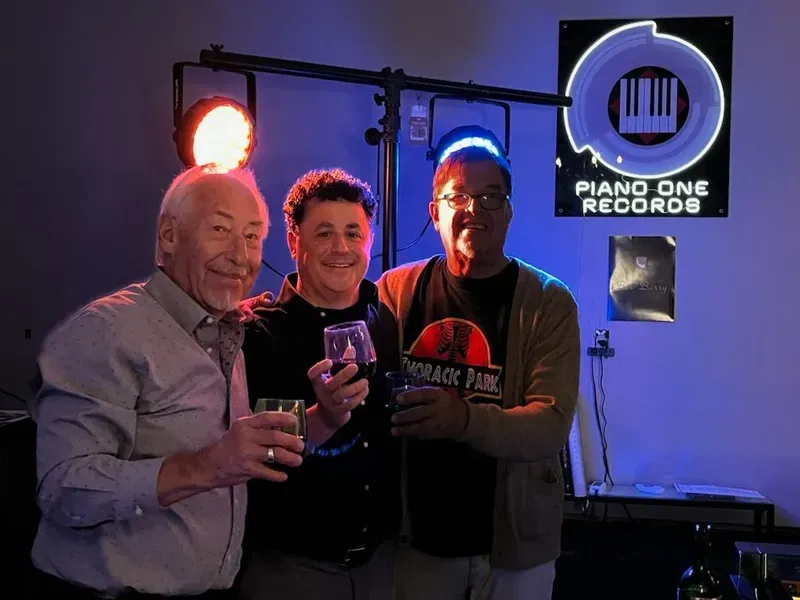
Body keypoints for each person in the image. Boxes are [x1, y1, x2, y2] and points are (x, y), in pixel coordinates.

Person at [28, 165, 356, 599]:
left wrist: (326, 417)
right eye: (220, 229)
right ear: (168, 235)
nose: (240, 255)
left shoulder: (229, 330)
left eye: (253, 237)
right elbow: (63, 489)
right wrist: (207, 465)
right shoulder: (107, 330)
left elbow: (253, 452)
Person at [377, 146, 580, 600]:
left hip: (513, 550)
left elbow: (549, 426)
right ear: (434, 212)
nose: (474, 210)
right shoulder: (395, 289)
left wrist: (461, 419)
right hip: (416, 543)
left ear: (508, 212)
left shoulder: (549, 301)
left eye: (491, 197)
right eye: (459, 197)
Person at [238, 168, 401, 600]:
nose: (341, 248)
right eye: (324, 233)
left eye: (353, 232)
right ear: (294, 241)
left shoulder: (385, 321)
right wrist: (324, 416)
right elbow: (264, 455)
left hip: (380, 567)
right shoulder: (258, 333)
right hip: (291, 570)